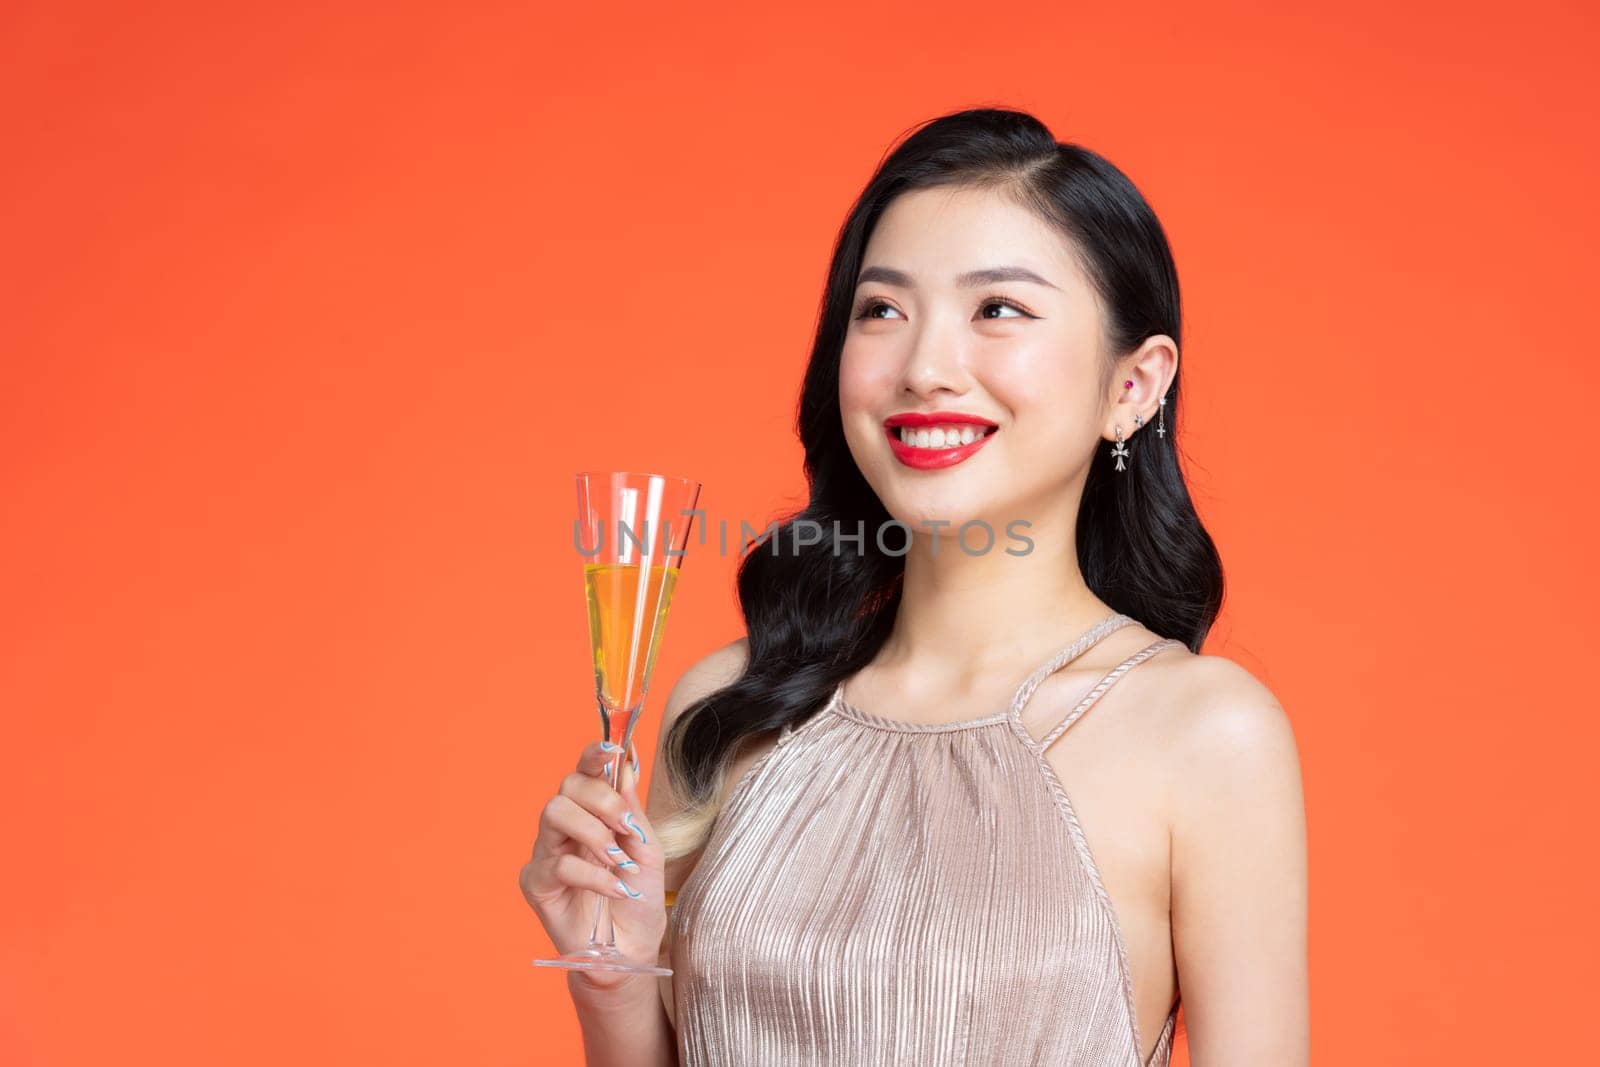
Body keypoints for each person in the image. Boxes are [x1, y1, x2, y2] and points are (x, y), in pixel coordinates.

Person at [519, 106, 1308, 1066]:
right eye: (882, 310)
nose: (925, 368)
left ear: (1133, 386)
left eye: (998, 310)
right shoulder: (730, 709)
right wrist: (613, 985)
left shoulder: (1204, 733)